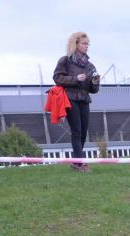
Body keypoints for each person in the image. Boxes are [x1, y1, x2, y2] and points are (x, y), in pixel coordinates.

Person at [53, 32, 99, 172]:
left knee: (83, 132)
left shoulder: (90, 66)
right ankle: (80, 163)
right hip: (70, 99)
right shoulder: (65, 61)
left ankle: (76, 162)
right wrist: (75, 78)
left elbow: (94, 90)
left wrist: (95, 82)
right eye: (84, 43)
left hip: (84, 99)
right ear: (75, 44)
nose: (87, 46)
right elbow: (57, 78)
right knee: (77, 131)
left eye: (88, 44)